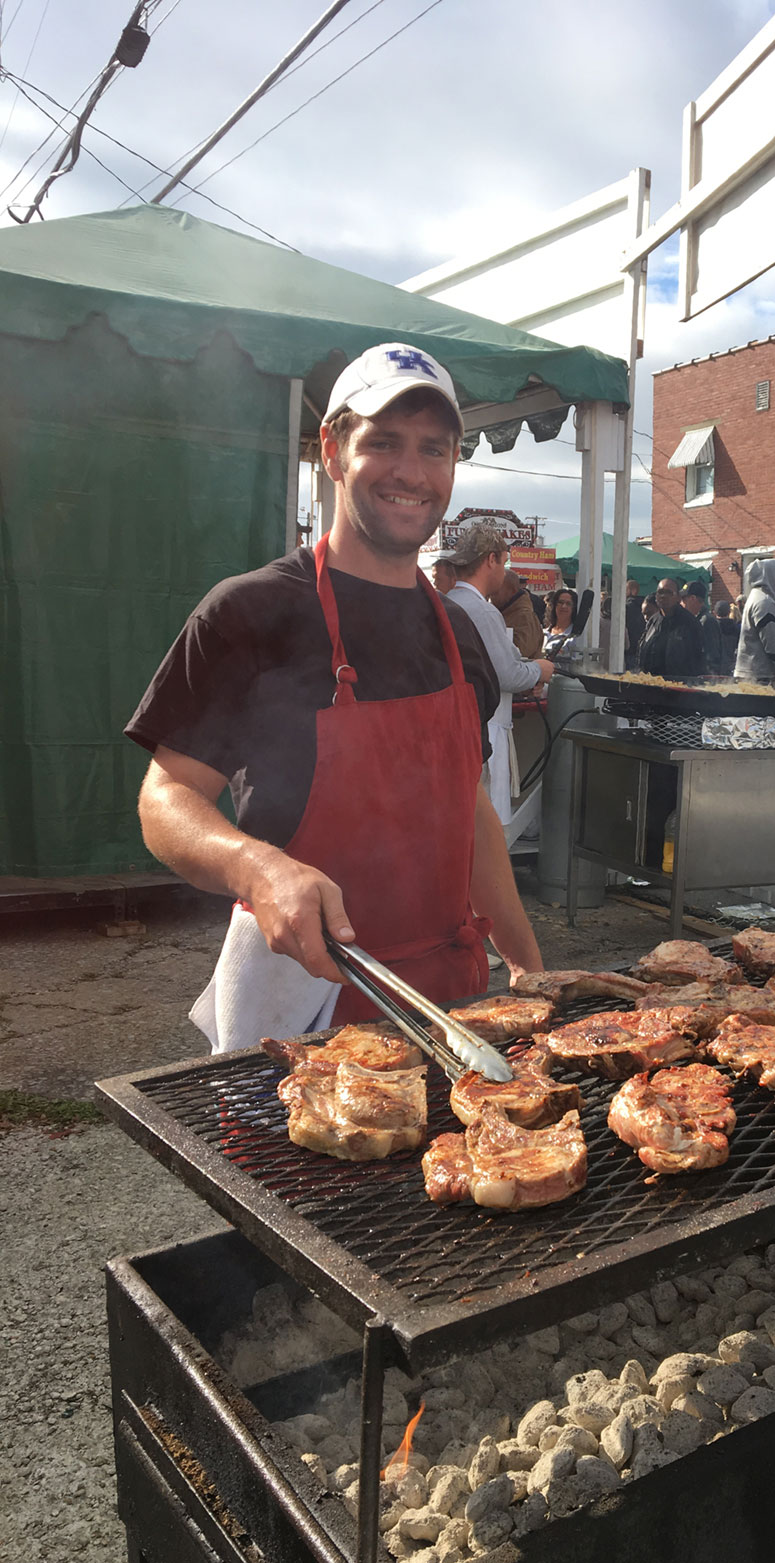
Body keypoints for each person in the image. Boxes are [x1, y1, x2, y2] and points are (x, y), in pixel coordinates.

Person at [127, 341, 543, 1052]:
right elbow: (164, 801)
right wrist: (256, 866)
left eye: (433, 450)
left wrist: (532, 972)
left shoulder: (458, 635)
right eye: (383, 443)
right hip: (305, 1014)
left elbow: (468, 812)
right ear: (332, 447)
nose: (411, 473)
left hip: (454, 1008)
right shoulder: (250, 612)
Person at [443, 526, 555, 824]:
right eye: (504, 563)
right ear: (490, 559)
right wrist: (539, 671)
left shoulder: (447, 603)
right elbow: (508, 675)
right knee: (484, 826)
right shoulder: (483, 611)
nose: (504, 572)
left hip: (454, 727)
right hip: (485, 728)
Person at [639, 577, 706, 677]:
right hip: (650, 684)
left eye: (668, 593)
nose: (663, 596)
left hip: (678, 687)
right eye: (660, 592)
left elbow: (699, 660)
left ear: (678, 598)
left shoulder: (690, 623)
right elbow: (642, 651)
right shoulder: (653, 621)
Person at [494, 566, 544, 660]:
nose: (492, 593)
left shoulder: (524, 616)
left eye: (497, 588)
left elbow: (522, 652)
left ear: (512, 590)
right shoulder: (505, 612)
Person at [683, 580, 723, 674]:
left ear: (692, 599)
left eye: (683, 599)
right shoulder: (693, 619)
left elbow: (712, 655)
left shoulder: (706, 621)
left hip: (703, 680)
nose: (681, 603)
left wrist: (708, 682)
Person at [543, 587, 582, 664]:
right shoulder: (542, 633)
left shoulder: (577, 637)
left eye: (568, 604)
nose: (564, 606)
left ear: (574, 608)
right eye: (560, 602)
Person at [713, 600, 740, 676]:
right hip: (732, 666)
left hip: (716, 668)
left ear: (714, 612)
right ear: (729, 612)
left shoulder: (713, 627)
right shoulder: (736, 628)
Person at [625, 578, 646, 666]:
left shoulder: (627, 607)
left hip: (629, 649)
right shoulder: (645, 606)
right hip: (641, 648)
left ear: (633, 590)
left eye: (626, 589)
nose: (624, 592)